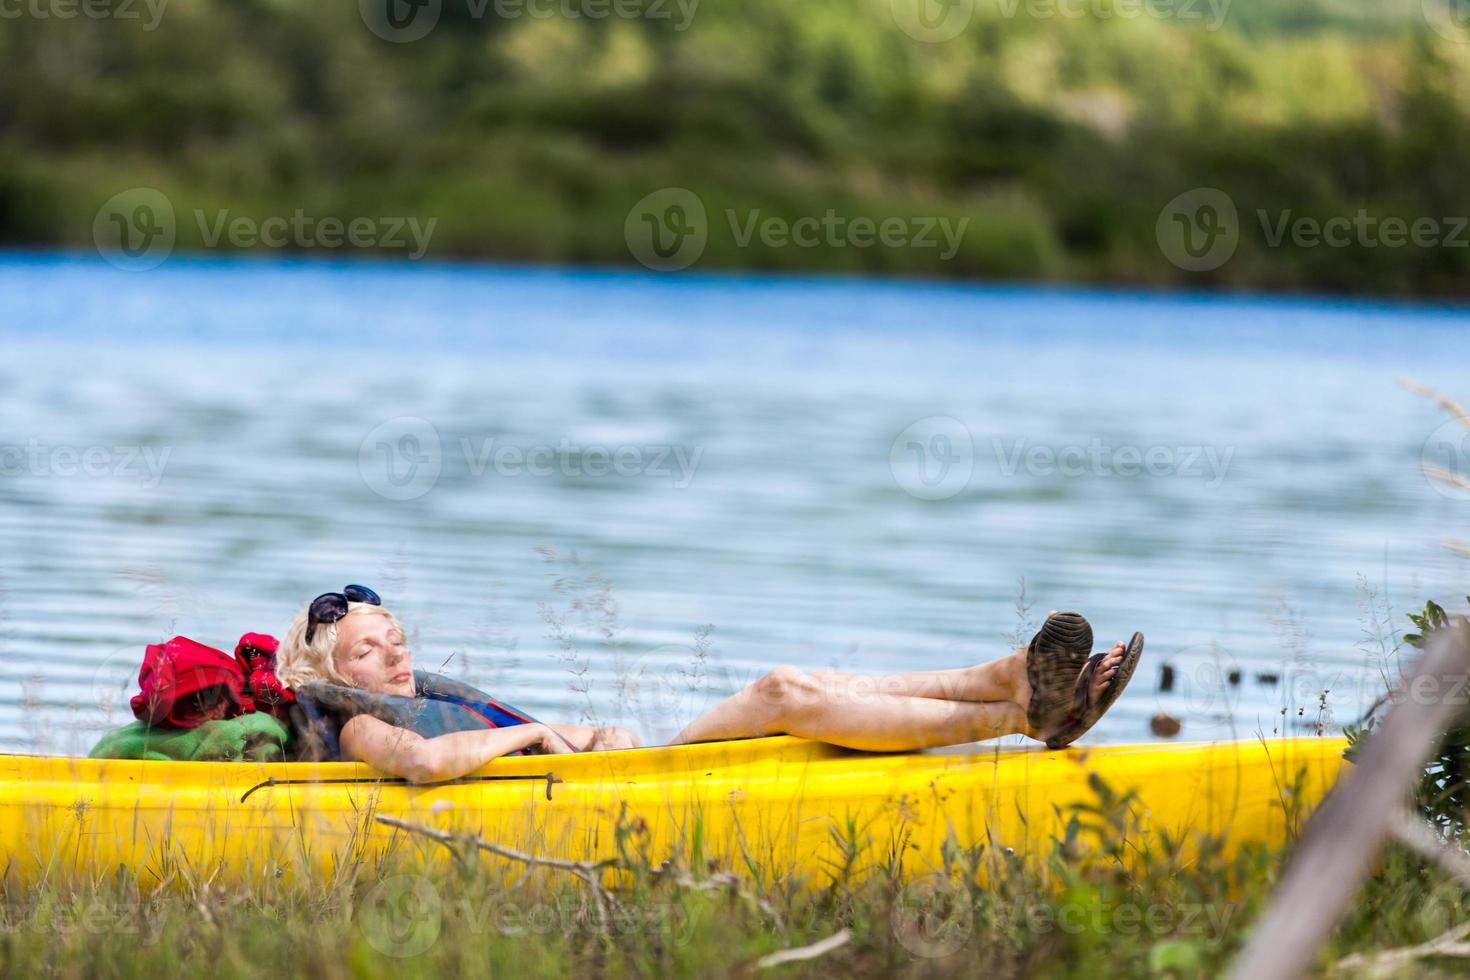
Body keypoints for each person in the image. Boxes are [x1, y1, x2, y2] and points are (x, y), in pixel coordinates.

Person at [274, 585, 1143, 784]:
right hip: (632, 782)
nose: (393, 659)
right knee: (785, 694)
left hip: (626, 764)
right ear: (332, 674)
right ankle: (1022, 709)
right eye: (367, 653)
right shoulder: (352, 728)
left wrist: (566, 734)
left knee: (802, 685)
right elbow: (425, 768)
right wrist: (533, 735)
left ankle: (1014, 687)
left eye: (394, 639)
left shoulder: (424, 690)